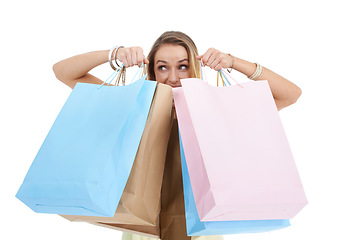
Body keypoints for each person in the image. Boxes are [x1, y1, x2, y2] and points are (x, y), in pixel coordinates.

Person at [53, 31, 302, 240]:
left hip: (203, 233)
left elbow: (289, 94)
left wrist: (233, 62)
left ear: (194, 68)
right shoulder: (132, 108)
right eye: (162, 67)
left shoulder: (218, 113)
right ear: (151, 71)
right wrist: (114, 55)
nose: (173, 78)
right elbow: (64, 72)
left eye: (182, 66)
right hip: (144, 232)